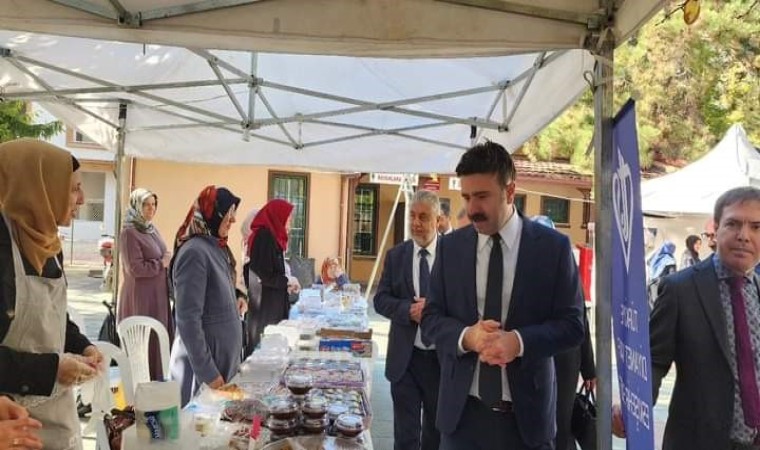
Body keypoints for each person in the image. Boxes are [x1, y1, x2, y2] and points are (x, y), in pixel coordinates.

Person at [421, 141, 584, 450]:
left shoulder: (553, 249)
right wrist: (467, 337)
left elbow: (573, 326)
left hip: (526, 423)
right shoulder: (450, 248)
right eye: (467, 197)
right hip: (461, 419)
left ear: (510, 192)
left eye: (482, 196)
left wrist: (518, 342)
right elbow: (431, 319)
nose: (472, 209)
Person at [613, 186, 760, 449]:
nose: (744, 236)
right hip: (699, 441)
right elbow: (654, 361)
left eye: (756, 227)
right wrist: (632, 405)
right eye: (733, 224)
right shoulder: (680, 289)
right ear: (716, 229)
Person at [0, 139, 103, 450]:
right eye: (73, 188)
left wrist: (83, 346)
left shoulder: (48, 243)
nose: (82, 199)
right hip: (14, 426)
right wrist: (51, 369)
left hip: (58, 420)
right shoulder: (3, 249)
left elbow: (53, 318)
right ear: (39, 188)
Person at [374, 189, 442, 450]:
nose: (416, 223)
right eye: (412, 216)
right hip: (406, 360)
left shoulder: (454, 255)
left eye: (423, 217)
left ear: (438, 220)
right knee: (405, 436)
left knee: (435, 435)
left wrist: (433, 308)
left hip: (440, 360)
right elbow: (380, 300)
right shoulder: (397, 256)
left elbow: (465, 304)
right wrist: (407, 310)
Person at [169, 185, 243, 406]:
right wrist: (209, 373)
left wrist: (238, 297)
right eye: (228, 214)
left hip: (220, 365)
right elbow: (188, 320)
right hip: (202, 373)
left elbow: (217, 289)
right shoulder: (194, 253)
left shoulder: (215, 247)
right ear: (214, 214)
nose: (233, 220)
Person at [530, 216, 596, 450]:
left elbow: (581, 321)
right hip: (545, 355)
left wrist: (589, 369)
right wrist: (588, 369)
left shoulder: (565, 271)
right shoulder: (528, 272)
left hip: (561, 357)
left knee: (559, 417)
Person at [117, 188, 173, 380]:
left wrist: (165, 259)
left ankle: (157, 386)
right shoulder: (129, 233)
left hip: (157, 297)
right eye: (146, 205)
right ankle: (140, 389)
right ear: (136, 206)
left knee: (158, 342)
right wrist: (161, 263)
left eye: (153, 204)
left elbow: (164, 253)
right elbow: (135, 268)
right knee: (143, 344)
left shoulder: (151, 229)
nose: (151, 209)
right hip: (140, 298)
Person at [246, 199, 300, 348]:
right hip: (266, 312)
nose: (289, 225)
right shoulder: (264, 237)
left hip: (272, 308)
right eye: (288, 220)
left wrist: (286, 284)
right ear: (278, 217)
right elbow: (265, 275)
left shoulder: (272, 237)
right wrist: (287, 281)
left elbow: (273, 273)